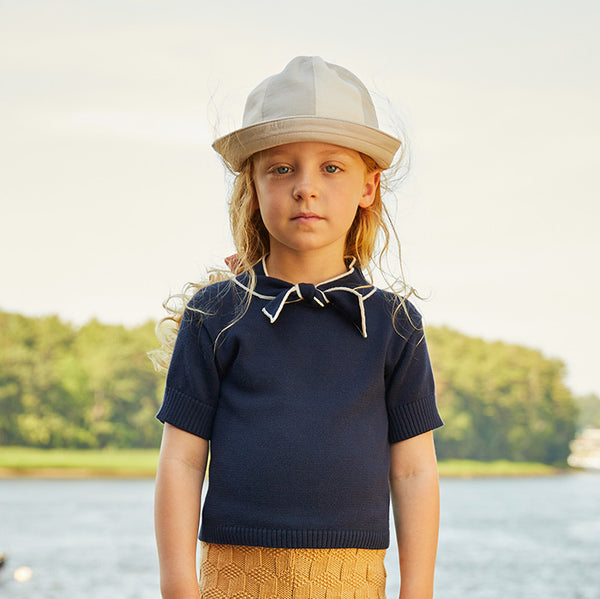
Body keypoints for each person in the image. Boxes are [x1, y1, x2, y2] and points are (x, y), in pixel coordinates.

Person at [152, 56, 443, 599]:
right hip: (233, 577)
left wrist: (418, 590)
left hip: (353, 580)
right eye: (281, 168)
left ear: (368, 186)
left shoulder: (395, 325)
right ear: (254, 186)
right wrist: (178, 583)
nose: (305, 187)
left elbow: (414, 472)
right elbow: (182, 458)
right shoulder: (215, 315)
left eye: (331, 167)